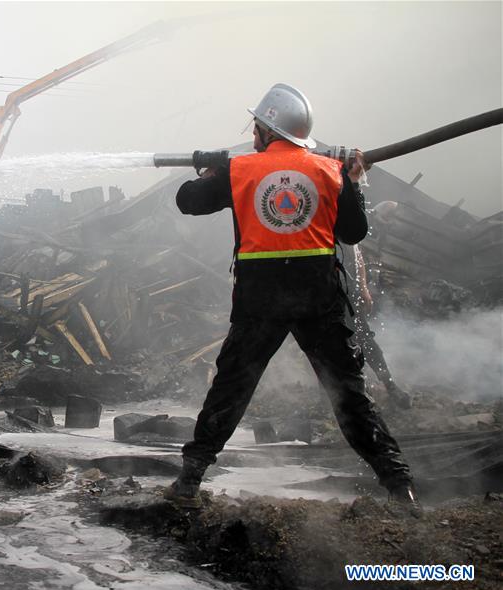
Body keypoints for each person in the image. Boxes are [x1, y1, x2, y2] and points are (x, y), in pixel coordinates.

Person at [164, 84, 417, 511]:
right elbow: (354, 232)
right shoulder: (329, 170)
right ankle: (401, 488)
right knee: (350, 396)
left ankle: (188, 483)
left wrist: (212, 172)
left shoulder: (239, 170)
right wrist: (353, 181)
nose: (253, 136)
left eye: (255, 129)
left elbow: (186, 201)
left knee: (230, 390)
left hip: (259, 301)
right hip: (318, 298)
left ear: (267, 130)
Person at [342, 243, 412, 409]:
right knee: (328, 344)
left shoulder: (339, 233)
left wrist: (363, 287)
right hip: (322, 293)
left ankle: (389, 385)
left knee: (364, 339)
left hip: (347, 291)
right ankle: (338, 394)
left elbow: (356, 252)